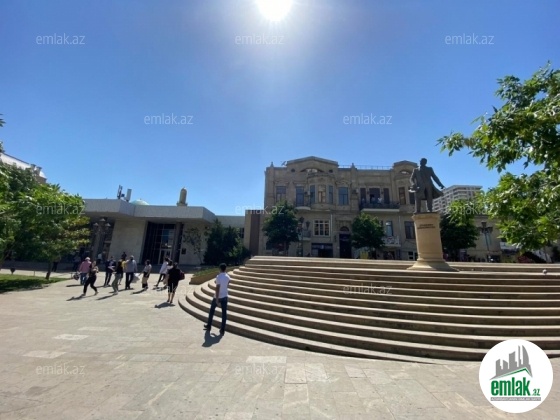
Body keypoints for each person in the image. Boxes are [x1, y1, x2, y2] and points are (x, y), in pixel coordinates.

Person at [204, 263, 231, 335]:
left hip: (218, 296)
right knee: (224, 313)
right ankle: (222, 329)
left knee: (212, 310)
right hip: (225, 296)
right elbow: (227, 284)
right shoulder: (228, 277)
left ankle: (209, 325)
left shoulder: (218, 277)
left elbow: (217, 288)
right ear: (225, 269)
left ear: (220, 269)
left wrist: (217, 298)